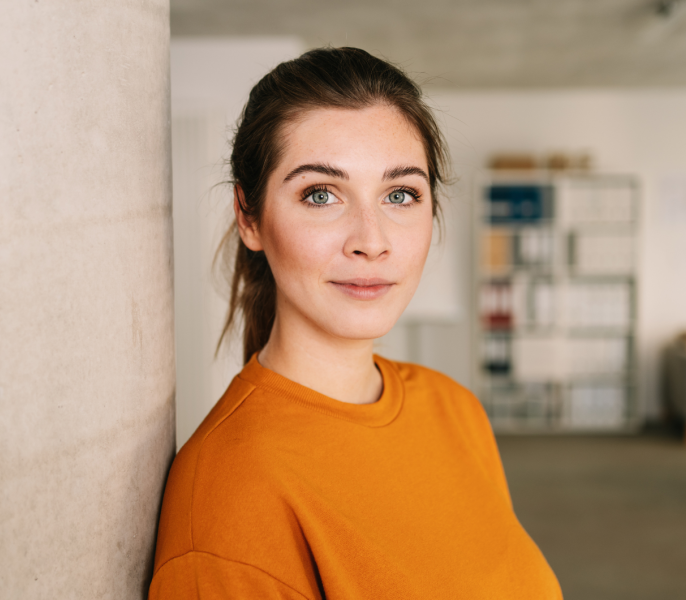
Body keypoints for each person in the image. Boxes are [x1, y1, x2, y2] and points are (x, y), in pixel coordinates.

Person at [149, 47, 561, 599]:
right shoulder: (230, 490)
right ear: (249, 217)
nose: (372, 240)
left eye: (400, 194)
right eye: (321, 194)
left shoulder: (455, 409)